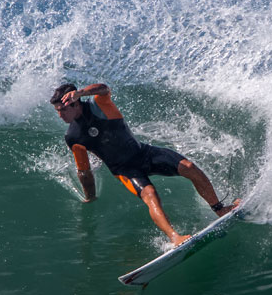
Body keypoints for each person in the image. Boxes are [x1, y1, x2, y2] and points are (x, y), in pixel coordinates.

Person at [51, 82, 237, 246]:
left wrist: (81, 92)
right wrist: (90, 196)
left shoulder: (100, 106)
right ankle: (175, 237)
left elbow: (104, 89)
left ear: (75, 103)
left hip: (144, 153)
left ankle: (220, 209)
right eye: (57, 110)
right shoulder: (73, 136)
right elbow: (84, 170)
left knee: (189, 167)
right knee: (150, 195)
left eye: (62, 109)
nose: (60, 115)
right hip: (125, 170)